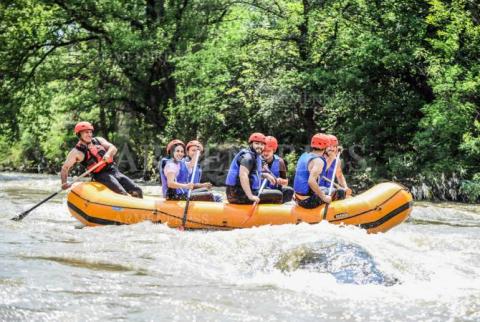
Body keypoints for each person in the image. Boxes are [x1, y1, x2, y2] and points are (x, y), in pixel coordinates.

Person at [61, 121, 143, 198]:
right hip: (100, 175)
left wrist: (108, 154)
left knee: (137, 190)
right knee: (122, 193)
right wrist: (64, 183)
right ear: (79, 135)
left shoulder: (98, 140)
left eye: (90, 132)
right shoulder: (76, 152)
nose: (89, 134)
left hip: (113, 170)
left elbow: (113, 148)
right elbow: (65, 168)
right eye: (86, 132)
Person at [225, 133, 283, 204]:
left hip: (240, 193)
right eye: (257, 143)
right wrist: (250, 196)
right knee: (278, 195)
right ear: (251, 144)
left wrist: (265, 175)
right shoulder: (247, 157)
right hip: (237, 195)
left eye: (262, 144)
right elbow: (243, 175)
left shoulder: (255, 156)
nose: (259, 146)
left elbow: (252, 174)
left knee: (285, 191)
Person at [293, 133, 332, 209]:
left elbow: (319, 173)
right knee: (338, 191)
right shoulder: (318, 161)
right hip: (307, 201)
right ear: (326, 147)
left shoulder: (305, 155)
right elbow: (311, 181)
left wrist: (331, 158)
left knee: (324, 189)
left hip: (297, 198)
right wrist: (324, 197)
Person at [262, 136, 294, 203]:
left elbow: (286, 182)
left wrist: (280, 181)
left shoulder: (280, 162)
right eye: (264, 150)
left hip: (275, 191)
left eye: (268, 151)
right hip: (261, 190)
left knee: (289, 190)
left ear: (273, 150)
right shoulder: (256, 160)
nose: (265, 153)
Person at [319, 135, 351, 200]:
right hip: (317, 190)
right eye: (330, 146)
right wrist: (331, 158)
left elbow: (339, 175)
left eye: (334, 146)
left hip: (328, 189)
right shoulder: (318, 159)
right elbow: (320, 172)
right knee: (340, 192)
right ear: (324, 147)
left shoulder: (337, 161)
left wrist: (345, 187)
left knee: (342, 191)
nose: (332, 148)